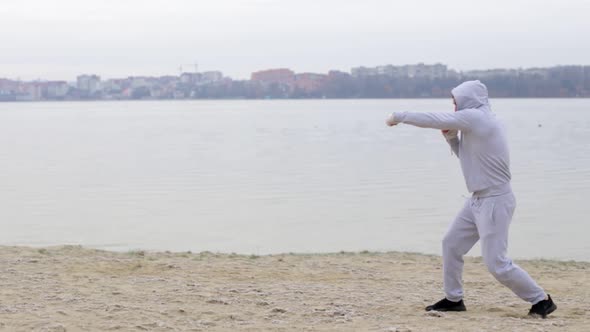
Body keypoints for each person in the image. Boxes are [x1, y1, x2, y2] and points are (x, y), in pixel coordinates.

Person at [385, 80, 556, 318]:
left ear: (468, 100)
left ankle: (541, 300)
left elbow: (434, 119)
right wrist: (452, 140)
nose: (454, 107)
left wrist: (400, 116)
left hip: (496, 199)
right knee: (451, 244)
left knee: (497, 263)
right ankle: (454, 299)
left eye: (456, 102)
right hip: (477, 199)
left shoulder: (477, 118)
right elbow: (468, 159)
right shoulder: (475, 122)